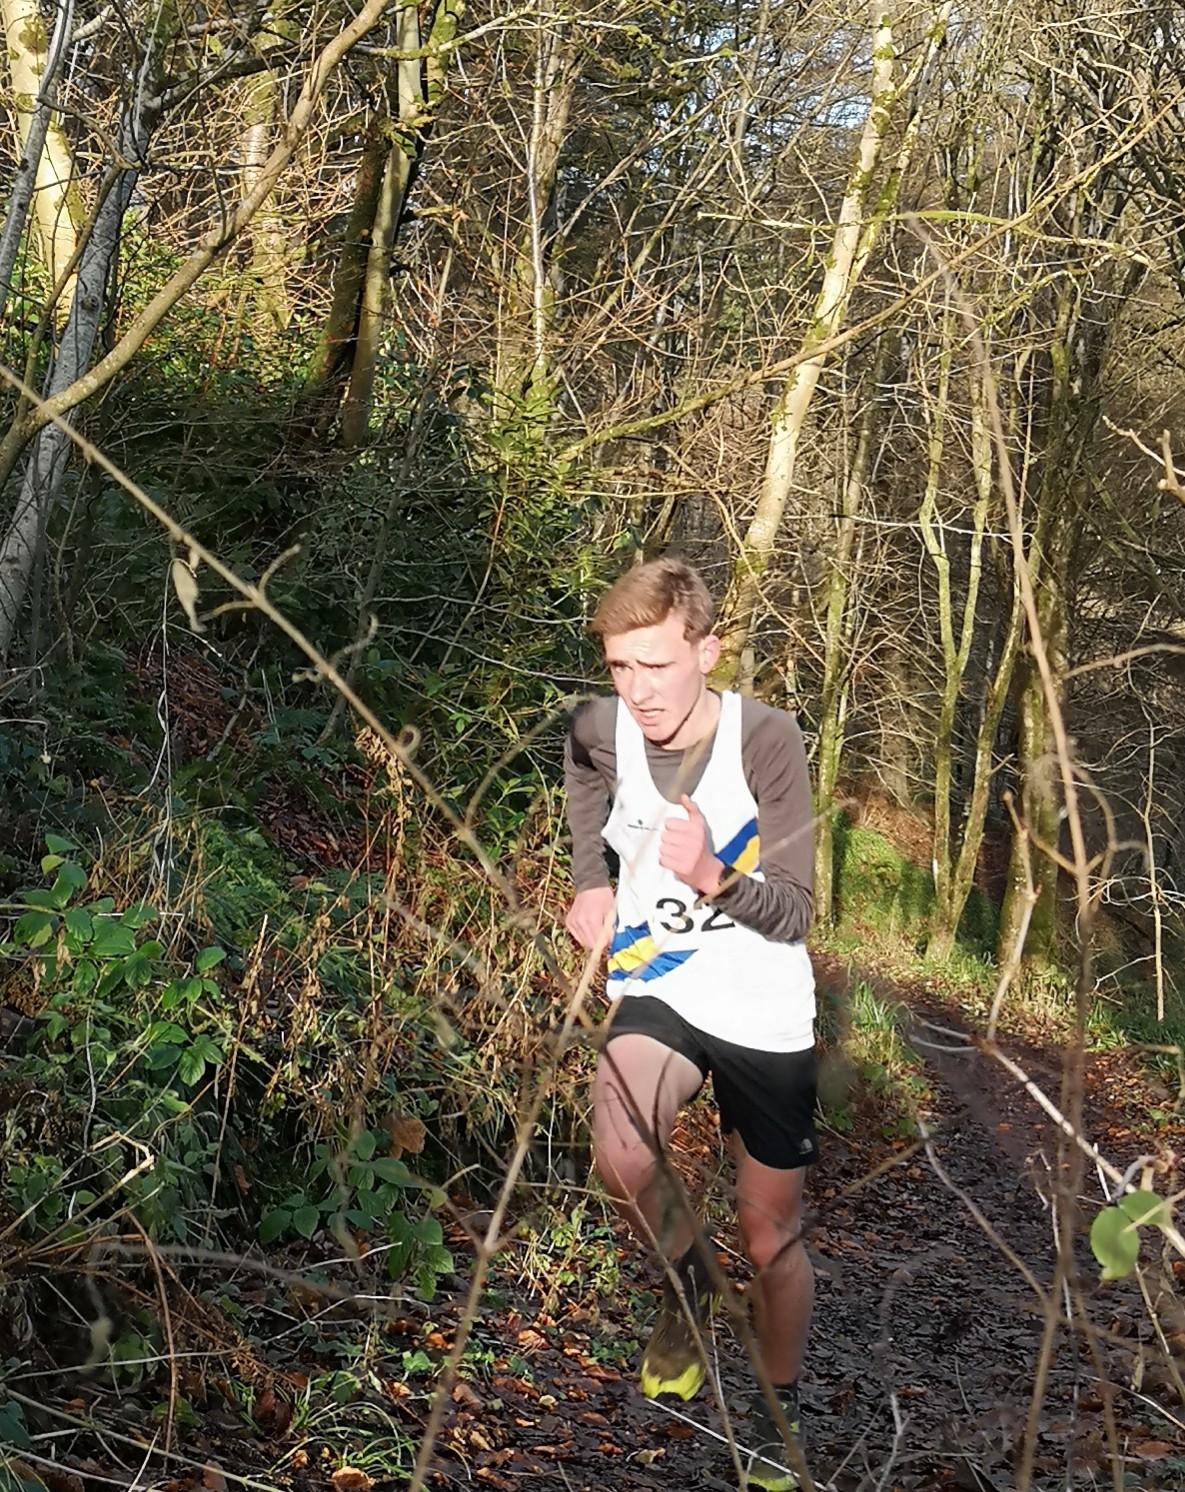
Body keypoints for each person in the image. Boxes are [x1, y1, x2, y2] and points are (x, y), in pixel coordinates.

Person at [563, 556, 818, 1492]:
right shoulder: (601, 727)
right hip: (662, 984)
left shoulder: (766, 739)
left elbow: (795, 911)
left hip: (763, 1008)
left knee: (770, 1238)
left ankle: (779, 1417)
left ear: (706, 652)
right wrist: (591, 882)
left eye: (657, 666)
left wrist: (712, 874)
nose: (637, 691)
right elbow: (581, 768)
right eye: (620, 667)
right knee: (621, 1150)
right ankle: (690, 1286)